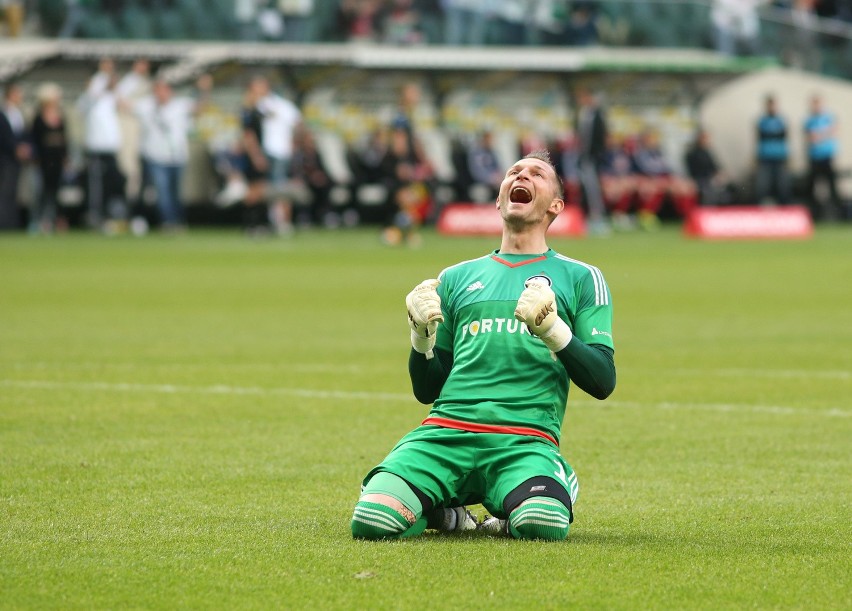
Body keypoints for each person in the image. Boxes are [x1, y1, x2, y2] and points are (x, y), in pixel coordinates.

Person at [351, 149, 617, 541]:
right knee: (372, 521)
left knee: (541, 524)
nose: (522, 176)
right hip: (445, 433)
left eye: (537, 175)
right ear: (498, 198)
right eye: (514, 172)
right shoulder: (456, 277)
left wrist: (553, 329)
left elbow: (602, 380)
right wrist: (420, 337)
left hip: (524, 440)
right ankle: (448, 514)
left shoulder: (582, 277)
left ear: (556, 206)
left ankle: (545, 487)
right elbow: (427, 390)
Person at [132, 76, 207, 231]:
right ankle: (169, 222)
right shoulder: (147, 106)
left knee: (176, 192)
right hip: (155, 156)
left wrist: (204, 90)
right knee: (163, 192)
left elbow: (200, 107)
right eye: (158, 90)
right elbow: (124, 105)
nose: (161, 94)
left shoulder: (180, 105)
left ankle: (178, 221)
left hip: (177, 156)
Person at [29, 82, 69, 234]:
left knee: (57, 192)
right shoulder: (38, 119)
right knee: (42, 192)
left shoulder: (60, 117)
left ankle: (56, 220)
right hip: (43, 161)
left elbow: (65, 139)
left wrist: (65, 157)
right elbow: (35, 139)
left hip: (57, 161)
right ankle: (39, 221)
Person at [574, 86, 609, 234]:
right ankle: (590, 216)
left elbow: (600, 138)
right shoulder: (583, 115)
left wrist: (597, 156)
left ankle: (598, 217)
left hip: (593, 159)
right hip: (584, 158)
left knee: (594, 189)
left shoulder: (597, 115)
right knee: (587, 189)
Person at [803, 93, 841, 220]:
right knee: (812, 188)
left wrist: (820, 135)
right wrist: (823, 134)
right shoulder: (809, 120)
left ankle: (839, 215)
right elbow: (811, 138)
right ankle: (814, 216)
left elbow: (833, 131)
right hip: (814, 158)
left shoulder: (828, 117)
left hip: (827, 157)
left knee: (833, 187)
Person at [0, 81, 29, 230]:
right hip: (5, 158)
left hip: (16, 160)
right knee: (4, 192)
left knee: (13, 192)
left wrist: (25, 148)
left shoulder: (19, 113)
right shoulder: (3, 113)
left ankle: (11, 223)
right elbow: (4, 137)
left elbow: (23, 135)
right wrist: (15, 148)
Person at [754, 94, 791, 205]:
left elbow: (786, 138)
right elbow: (758, 139)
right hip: (765, 157)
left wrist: (788, 156)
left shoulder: (782, 120)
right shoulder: (762, 121)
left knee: (782, 185)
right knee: (762, 185)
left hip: (780, 157)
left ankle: (784, 209)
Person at [684, 128, 733, 206]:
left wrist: (720, 174)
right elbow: (695, 171)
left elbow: (716, 166)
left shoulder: (707, 152)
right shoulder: (693, 153)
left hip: (711, 178)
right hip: (700, 179)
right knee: (709, 189)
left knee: (731, 187)